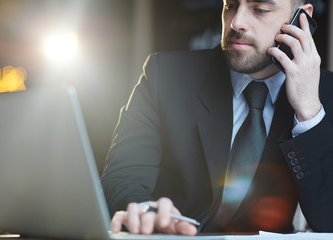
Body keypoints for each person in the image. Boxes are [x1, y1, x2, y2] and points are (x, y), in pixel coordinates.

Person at [101, 0, 333, 236]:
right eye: (230, 5)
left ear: (302, 17)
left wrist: (309, 113)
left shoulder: (326, 96)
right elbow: (122, 178)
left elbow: (327, 220)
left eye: (260, 10)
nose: (236, 22)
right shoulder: (165, 76)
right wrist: (145, 213)